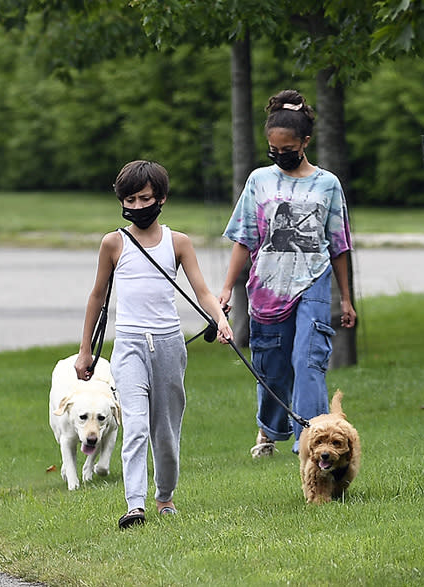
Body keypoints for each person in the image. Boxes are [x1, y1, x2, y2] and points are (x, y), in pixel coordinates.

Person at [74, 160, 233, 529]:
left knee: (166, 431)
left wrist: (221, 320)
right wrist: (86, 351)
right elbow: (97, 297)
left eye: (145, 198)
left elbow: (203, 292)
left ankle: (165, 495)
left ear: (160, 199)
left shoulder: (179, 243)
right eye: (130, 199)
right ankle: (134, 505)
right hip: (128, 344)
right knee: (136, 425)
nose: (138, 206)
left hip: (169, 345)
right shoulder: (113, 243)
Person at [219, 89, 356, 459]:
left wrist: (345, 298)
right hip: (268, 286)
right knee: (272, 368)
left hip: (313, 281)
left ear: (305, 142)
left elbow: (339, 244)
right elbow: (244, 239)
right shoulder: (258, 181)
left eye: (287, 148)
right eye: (273, 148)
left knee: (307, 360)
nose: (279, 154)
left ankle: (310, 443)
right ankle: (269, 428)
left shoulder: (327, 184)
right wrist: (226, 289)